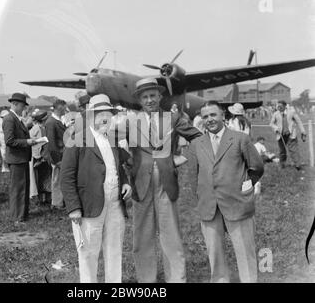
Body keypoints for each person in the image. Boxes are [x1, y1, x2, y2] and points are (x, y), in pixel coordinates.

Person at [126, 78, 202, 283]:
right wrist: (128, 163)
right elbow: (113, 145)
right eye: (145, 97)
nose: (150, 100)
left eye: (153, 95)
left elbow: (198, 138)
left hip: (166, 185)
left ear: (160, 96)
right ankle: (146, 281)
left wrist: (182, 158)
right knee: (142, 237)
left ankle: (177, 279)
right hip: (140, 184)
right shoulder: (130, 121)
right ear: (140, 100)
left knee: (171, 236)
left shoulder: (173, 118)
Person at [189, 100, 264, 283]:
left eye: (213, 114)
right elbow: (193, 176)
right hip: (209, 206)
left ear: (223, 115)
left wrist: (245, 187)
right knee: (215, 255)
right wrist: (201, 197)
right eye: (205, 116)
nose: (210, 119)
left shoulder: (239, 139)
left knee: (245, 251)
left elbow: (257, 167)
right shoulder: (197, 143)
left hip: (237, 204)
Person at [61, 94, 132, 283]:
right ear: (90, 116)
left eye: (107, 113)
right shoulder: (77, 139)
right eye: (98, 113)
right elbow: (66, 177)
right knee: (88, 254)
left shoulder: (113, 139)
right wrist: (74, 207)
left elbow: (117, 167)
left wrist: (125, 182)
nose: (104, 118)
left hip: (115, 205)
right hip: (88, 207)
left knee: (114, 250)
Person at [3, 93, 36, 223]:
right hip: (16, 159)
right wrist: (27, 142)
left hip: (21, 158)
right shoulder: (10, 119)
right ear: (15, 104)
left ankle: (22, 214)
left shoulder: (16, 118)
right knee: (18, 189)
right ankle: (17, 216)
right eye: (22, 105)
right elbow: (9, 141)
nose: (24, 108)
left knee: (23, 187)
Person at [270, 100, 306, 170]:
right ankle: (282, 165)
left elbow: (299, 122)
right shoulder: (275, 114)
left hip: (291, 135)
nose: (279, 107)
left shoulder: (291, 112)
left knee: (293, 150)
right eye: (278, 106)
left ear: (285, 106)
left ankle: (298, 165)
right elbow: (271, 123)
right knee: (282, 151)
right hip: (280, 135)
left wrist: (303, 131)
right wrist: (276, 128)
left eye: (280, 106)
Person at [45, 99, 67, 210]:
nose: (66, 110)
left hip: (62, 156)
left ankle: (59, 201)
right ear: (60, 107)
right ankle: (57, 203)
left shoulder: (57, 121)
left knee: (59, 179)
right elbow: (52, 144)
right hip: (57, 157)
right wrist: (57, 160)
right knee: (57, 180)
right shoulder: (51, 122)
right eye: (64, 107)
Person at [30, 110, 52, 206]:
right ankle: (41, 199)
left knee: (44, 178)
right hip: (40, 158)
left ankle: (45, 198)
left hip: (43, 157)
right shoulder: (38, 129)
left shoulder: (40, 127)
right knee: (40, 179)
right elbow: (37, 144)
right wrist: (39, 157)